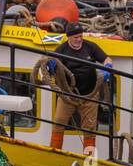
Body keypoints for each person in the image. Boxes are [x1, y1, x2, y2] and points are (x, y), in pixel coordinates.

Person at [48, 21, 112, 155]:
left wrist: (108, 68)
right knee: (59, 123)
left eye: (80, 36)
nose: (79, 39)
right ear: (69, 37)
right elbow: (51, 64)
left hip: (89, 94)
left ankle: (89, 162)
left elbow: (106, 59)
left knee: (90, 128)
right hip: (67, 95)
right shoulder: (62, 50)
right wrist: (51, 66)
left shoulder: (90, 47)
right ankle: (54, 154)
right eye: (76, 37)